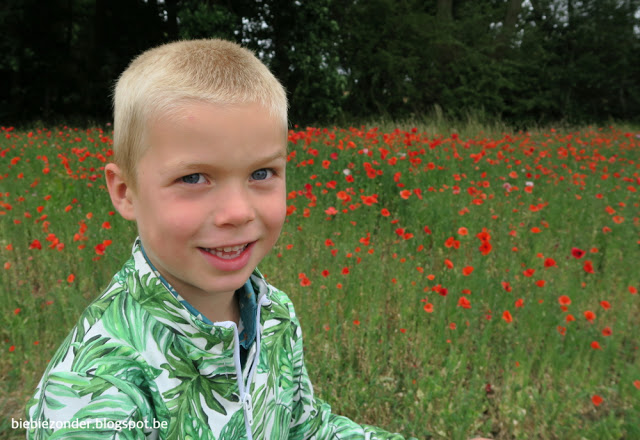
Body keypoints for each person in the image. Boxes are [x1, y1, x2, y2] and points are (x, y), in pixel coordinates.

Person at [25, 39, 417, 440]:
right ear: (126, 191)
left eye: (261, 174)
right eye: (193, 178)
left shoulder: (273, 315)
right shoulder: (94, 389)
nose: (237, 212)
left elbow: (305, 427)